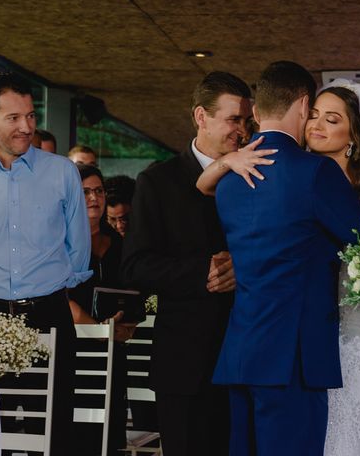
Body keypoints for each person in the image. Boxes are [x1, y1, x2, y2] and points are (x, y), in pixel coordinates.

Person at [198, 75, 360, 455]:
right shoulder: (303, 174)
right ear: (302, 108)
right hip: (303, 349)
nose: (317, 125)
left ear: (354, 133)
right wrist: (226, 162)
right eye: (315, 115)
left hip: (325, 342)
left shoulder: (244, 177)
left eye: (332, 119)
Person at [194, 61, 360, 455]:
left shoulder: (228, 183)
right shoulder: (315, 172)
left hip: (242, 353)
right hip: (294, 357)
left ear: (256, 112)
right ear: (304, 104)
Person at [121, 71, 252, 456]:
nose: (242, 130)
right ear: (201, 116)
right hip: (184, 363)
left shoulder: (257, 176)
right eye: (233, 119)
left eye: (246, 121)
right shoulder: (158, 181)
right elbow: (135, 267)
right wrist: (202, 272)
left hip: (245, 354)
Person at [0, 72, 91, 454]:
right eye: (13, 118)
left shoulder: (63, 172)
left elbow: (78, 252)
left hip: (50, 313)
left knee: (53, 434)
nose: (26, 127)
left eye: (31, 116)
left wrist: (49, 289)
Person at [68, 164, 138, 456]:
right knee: (74, 435)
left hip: (112, 350)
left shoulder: (122, 243)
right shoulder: (59, 240)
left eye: (97, 191)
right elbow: (55, 294)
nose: (93, 197)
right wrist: (96, 330)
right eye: (84, 192)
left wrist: (127, 326)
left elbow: (134, 293)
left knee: (108, 438)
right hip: (72, 349)